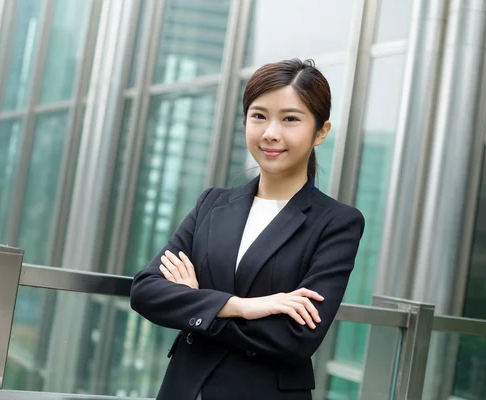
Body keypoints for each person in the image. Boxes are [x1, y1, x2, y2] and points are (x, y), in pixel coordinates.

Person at [130, 58, 365, 400]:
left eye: (290, 119)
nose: (271, 132)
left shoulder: (337, 223)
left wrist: (198, 302)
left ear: (320, 132)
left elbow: (296, 338)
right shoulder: (213, 203)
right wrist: (243, 306)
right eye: (259, 116)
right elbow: (146, 291)